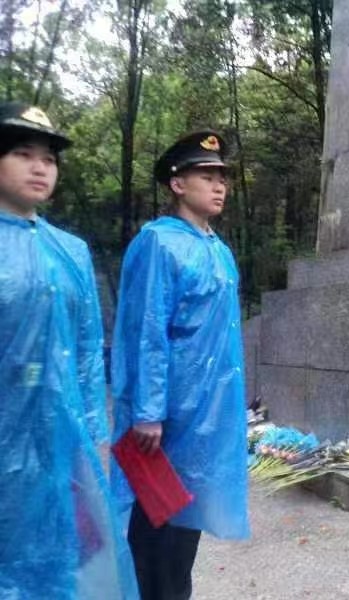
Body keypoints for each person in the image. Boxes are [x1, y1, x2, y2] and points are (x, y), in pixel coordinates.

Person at [0, 102, 139, 599]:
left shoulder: (71, 250)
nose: (40, 167)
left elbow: (85, 346)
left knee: (70, 555)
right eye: (22, 153)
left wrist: (94, 434)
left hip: (64, 437)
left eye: (50, 158)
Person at [111, 130, 250, 600]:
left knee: (184, 533)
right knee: (158, 533)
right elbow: (146, 329)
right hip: (167, 419)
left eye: (222, 177)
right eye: (206, 175)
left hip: (207, 419)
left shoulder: (220, 251)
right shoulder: (159, 243)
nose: (219, 185)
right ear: (177, 184)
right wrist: (147, 411)